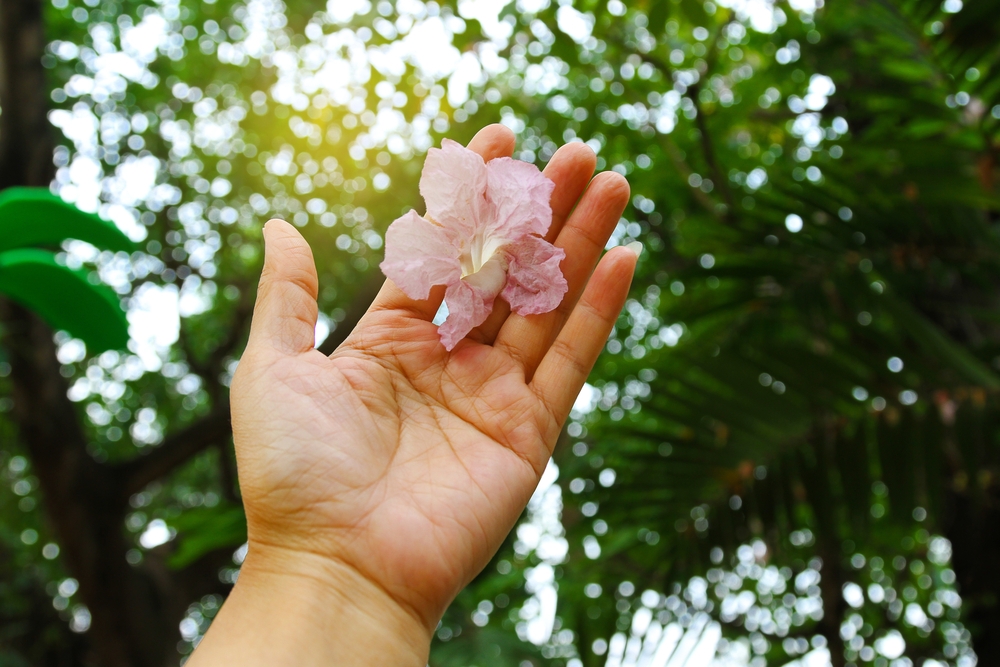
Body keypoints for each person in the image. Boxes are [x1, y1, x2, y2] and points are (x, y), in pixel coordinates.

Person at [186, 124, 638, 666]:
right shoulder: (455, 260)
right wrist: (320, 558)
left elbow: (511, 271)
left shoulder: (497, 263)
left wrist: (313, 567)